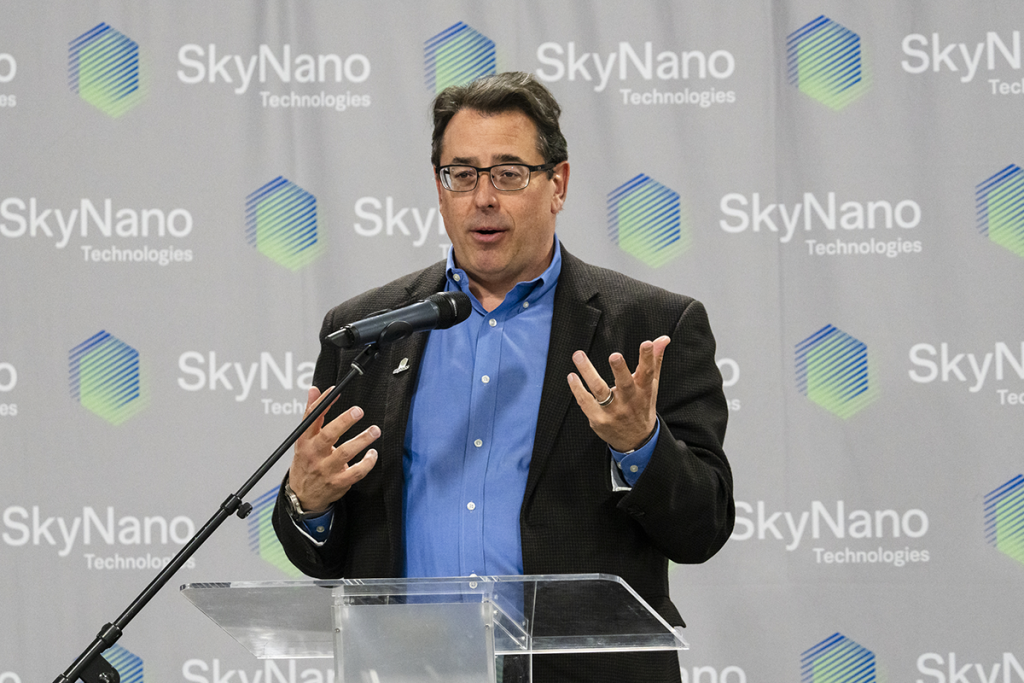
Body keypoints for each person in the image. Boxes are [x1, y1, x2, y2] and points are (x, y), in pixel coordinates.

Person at [273, 71, 734, 682]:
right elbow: (319, 558)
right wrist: (307, 501)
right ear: (441, 192)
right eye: (462, 175)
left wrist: (641, 447)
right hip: (410, 670)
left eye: (508, 173)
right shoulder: (366, 331)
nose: (482, 197)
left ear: (557, 184)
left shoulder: (650, 327)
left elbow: (702, 529)